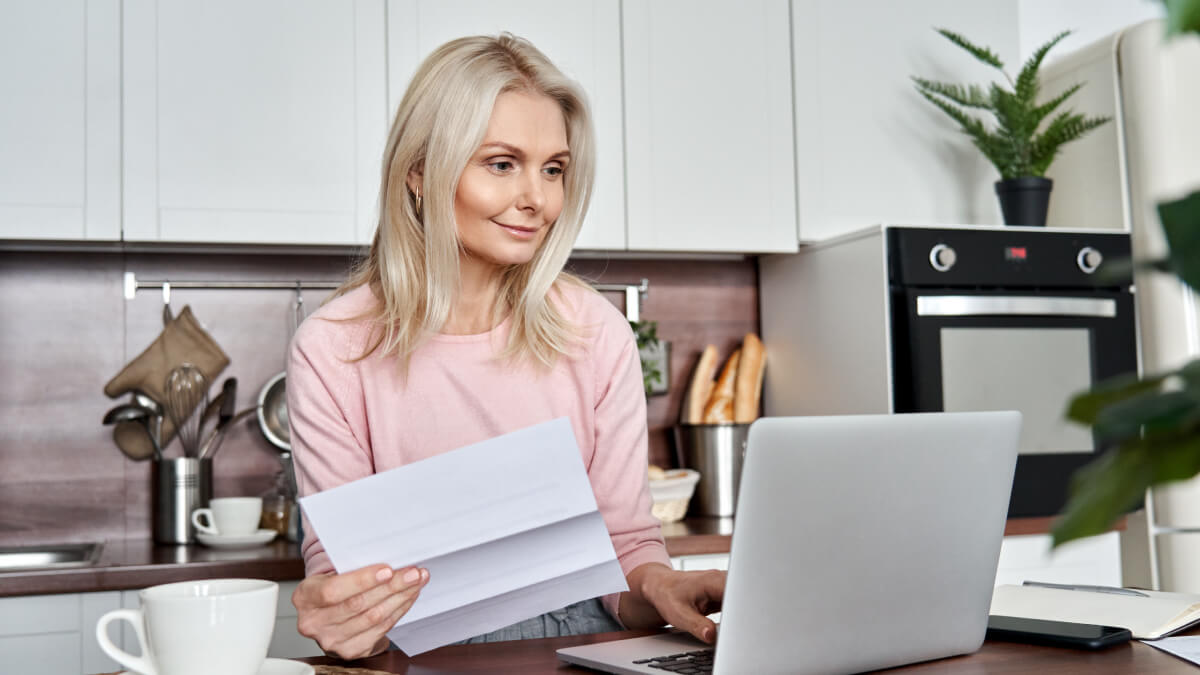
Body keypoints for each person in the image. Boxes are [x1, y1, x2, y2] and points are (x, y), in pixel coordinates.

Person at [286, 33, 725, 660]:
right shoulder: (334, 350)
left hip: (582, 649)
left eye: (553, 169)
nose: (538, 199)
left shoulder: (595, 333)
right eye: (501, 163)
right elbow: (340, 570)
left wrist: (660, 586)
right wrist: (342, 611)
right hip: (419, 658)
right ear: (418, 172)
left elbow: (625, 549)